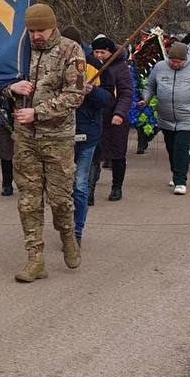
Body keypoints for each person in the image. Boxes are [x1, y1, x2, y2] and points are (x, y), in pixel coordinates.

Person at [5, 3, 86, 283]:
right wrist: (9, 87)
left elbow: (75, 95)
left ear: (53, 26)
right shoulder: (18, 51)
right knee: (28, 201)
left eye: (41, 30)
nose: (36, 36)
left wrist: (38, 112)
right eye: (32, 31)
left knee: (61, 200)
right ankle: (35, 259)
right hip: (25, 139)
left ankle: (67, 235)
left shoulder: (70, 50)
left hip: (58, 138)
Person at [143, 41, 190, 196]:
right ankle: (176, 173)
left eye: (179, 62)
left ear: (185, 60)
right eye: (173, 61)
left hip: (188, 117)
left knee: (181, 148)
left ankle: (181, 181)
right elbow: (150, 86)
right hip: (166, 117)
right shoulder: (159, 67)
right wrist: (145, 99)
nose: (175, 65)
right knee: (171, 148)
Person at [73, 48, 113, 244]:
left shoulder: (94, 66)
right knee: (60, 189)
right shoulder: (54, 63)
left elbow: (108, 98)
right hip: (58, 136)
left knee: (80, 185)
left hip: (86, 135)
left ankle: (76, 232)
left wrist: (93, 91)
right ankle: (64, 226)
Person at [89, 34, 133, 202]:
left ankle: (116, 186)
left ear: (110, 52)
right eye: (96, 52)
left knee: (117, 154)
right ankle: (89, 190)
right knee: (92, 154)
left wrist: (119, 113)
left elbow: (126, 93)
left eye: (102, 52)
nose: (99, 56)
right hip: (94, 117)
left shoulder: (120, 67)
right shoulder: (90, 65)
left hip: (114, 117)